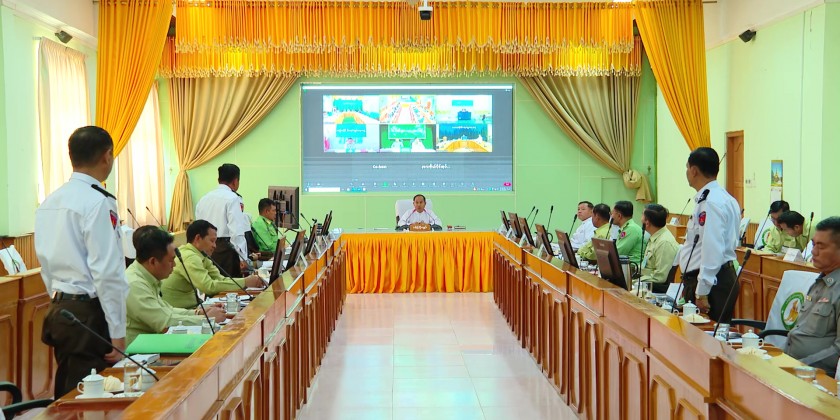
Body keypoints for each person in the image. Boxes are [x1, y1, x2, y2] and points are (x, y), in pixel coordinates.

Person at [35, 126, 128, 398]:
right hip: (88, 313)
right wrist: (118, 331)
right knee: (91, 397)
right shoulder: (98, 201)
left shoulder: (50, 201)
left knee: (69, 390)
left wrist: (62, 300)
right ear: (107, 156)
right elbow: (107, 271)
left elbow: (45, 265)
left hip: (60, 310)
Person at [125, 226, 226, 345]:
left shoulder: (146, 276)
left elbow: (168, 310)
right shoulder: (134, 284)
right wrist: (206, 320)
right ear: (153, 261)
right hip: (139, 349)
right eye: (171, 260)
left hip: (154, 342)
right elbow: (165, 323)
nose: (174, 265)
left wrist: (198, 313)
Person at [678, 147, 741, 322]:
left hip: (713, 283)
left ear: (694, 170)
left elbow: (712, 248)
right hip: (714, 278)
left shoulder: (710, 202)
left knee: (706, 336)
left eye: (687, 168)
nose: (686, 172)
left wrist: (702, 291)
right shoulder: (723, 197)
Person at [162, 220, 264, 309]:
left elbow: (220, 279)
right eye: (212, 241)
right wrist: (245, 282)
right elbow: (208, 287)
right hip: (181, 312)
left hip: (193, 307)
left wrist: (246, 281)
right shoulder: (189, 257)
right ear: (198, 238)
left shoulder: (201, 254)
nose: (215, 246)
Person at [785, 216, 840, 377]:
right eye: (814, 244)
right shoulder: (820, 281)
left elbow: (838, 351)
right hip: (792, 364)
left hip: (817, 376)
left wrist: (798, 367)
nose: (813, 252)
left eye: (821, 247)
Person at [195, 163, 250, 277]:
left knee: (212, 284)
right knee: (230, 285)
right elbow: (236, 231)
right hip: (226, 251)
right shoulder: (233, 198)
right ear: (235, 181)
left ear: (218, 179)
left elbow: (197, 227)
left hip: (206, 250)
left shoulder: (203, 199)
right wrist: (243, 257)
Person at [639, 204, 680, 293]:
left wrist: (637, 281)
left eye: (642, 215)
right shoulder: (655, 236)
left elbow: (659, 278)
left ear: (647, 222)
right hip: (645, 280)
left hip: (653, 289)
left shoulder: (664, 243)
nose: (640, 219)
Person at [612, 201, 643, 265]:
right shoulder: (627, 228)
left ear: (619, 216)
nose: (611, 216)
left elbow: (618, 252)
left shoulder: (631, 229)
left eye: (612, 213)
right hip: (625, 266)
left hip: (632, 268)